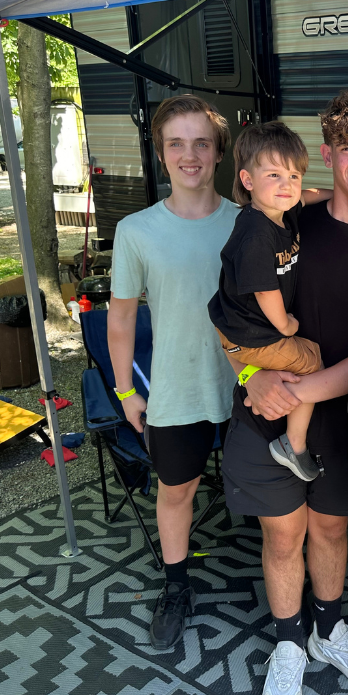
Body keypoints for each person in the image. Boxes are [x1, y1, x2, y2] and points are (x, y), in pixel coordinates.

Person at [221, 90, 348, 695]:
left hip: (344, 418)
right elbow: (237, 312)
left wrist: (297, 389)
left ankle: (328, 627)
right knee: (284, 532)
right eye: (345, 147)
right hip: (270, 403)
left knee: (330, 528)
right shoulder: (286, 222)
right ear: (325, 154)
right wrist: (248, 372)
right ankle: (291, 642)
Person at [108, 94, 238, 651]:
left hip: (248, 387)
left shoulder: (247, 221)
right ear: (162, 154)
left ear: (218, 153)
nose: (190, 155)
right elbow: (120, 319)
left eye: (201, 143)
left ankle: (286, 586)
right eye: (177, 143)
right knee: (176, 491)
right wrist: (124, 390)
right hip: (176, 387)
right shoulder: (137, 231)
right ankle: (177, 583)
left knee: (269, 491)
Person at [207, 121, 328, 482]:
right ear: (248, 181)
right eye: (274, 175)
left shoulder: (280, 210)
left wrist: (336, 196)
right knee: (314, 361)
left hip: (238, 326)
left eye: (293, 176)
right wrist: (286, 325)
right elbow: (266, 290)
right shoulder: (256, 232)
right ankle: (293, 441)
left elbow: (305, 197)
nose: (287, 186)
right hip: (253, 334)